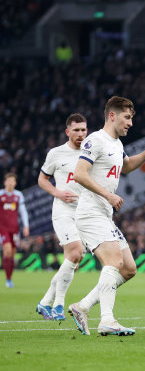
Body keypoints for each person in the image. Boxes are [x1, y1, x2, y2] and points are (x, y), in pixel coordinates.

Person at [68, 96, 145, 336]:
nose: (130, 123)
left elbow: (126, 166)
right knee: (114, 261)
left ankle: (82, 306)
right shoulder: (95, 140)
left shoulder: (116, 144)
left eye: (131, 118)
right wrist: (109, 195)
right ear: (112, 115)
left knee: (128, 269)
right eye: (127, 117)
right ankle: (107, 320)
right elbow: (80, 174)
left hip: (103, 214)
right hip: (90, 211)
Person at [36, 113, 88, 321]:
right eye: (76, 130)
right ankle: (58, 304)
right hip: (63, 211)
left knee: (74, 260)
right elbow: (42, 179)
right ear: (68, 132)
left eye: (84, 129)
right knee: (75, 252)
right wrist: (57, 193)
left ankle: (44, 303)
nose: (80, 134)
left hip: (85, 212)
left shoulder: (91, 153)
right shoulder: (56, 153)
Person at [0, 173, 29, 288]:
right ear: (5, 182)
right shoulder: (1, 195)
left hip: (14, 229)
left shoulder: (18, 195)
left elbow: (23, 211)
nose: (11, 183)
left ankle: (9, 278)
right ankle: (7, 280)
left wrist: (26, 226)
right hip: (3, 228)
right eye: (9, 181)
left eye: (13, 181)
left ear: (15, 183)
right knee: (7, 251)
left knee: (11, 255)